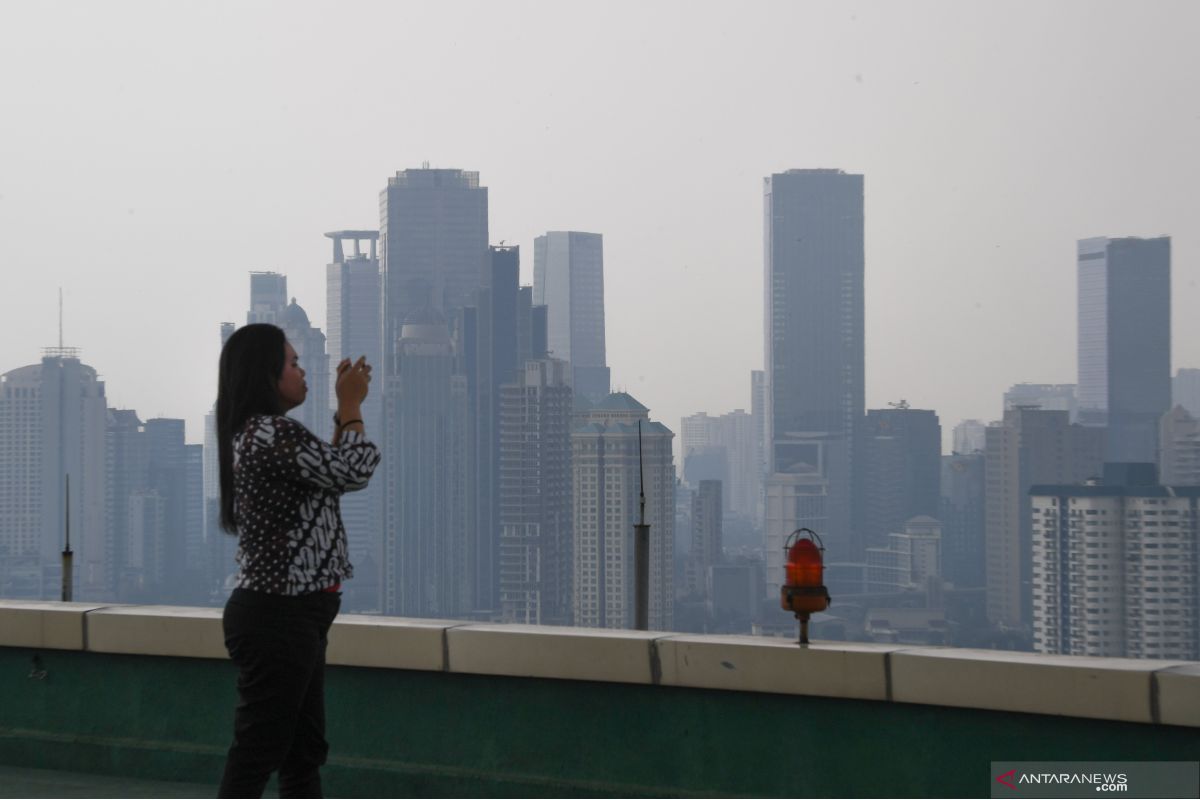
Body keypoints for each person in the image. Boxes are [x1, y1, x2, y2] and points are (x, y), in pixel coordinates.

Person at [215, 323, 380, 798]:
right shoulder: (271, 434)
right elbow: (353, 470)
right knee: (260, 750)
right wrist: (350, 407)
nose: (302, 370)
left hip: (293, 615)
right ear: (266, 375)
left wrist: (343, 416)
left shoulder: (265, 435)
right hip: (278, 615)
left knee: (302, 751)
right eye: (292, 363)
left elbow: (326, 474)